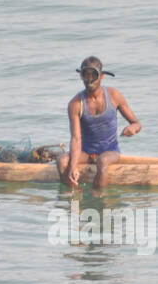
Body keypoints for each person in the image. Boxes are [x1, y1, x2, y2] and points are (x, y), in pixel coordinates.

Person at [57, 57, 141, 189]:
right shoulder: (75, 104)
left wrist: (133, 128)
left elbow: (136, 123)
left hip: (110, 151)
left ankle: (99, 199)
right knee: (62, 161)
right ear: (81, 77)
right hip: (86, 153)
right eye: (86, 75)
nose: (89, 79)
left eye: (93, 75)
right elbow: (76, 138)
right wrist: (73, 167)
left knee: (103, 160)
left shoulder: (114, 95)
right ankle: (74, 192)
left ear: (101, 76)